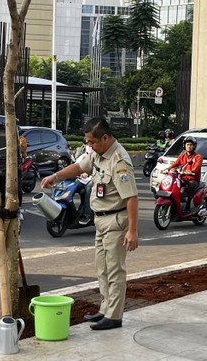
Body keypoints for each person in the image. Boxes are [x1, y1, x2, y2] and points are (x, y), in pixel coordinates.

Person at [41, 117, 138, 331]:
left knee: (115, 270)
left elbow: (131, 197)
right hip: (100, 220)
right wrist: (55, 177)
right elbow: (78, 167)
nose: (89, 146)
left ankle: (114, 316)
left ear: (105, 137)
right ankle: (105, 309)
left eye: (92, 142)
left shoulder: (119, 160)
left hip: (115, 219)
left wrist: (132, 231)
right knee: (102, 268)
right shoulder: (98, 152)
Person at [161, 136, 203, 210]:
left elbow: (197, 167)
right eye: (187, 145)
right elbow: (175, 164)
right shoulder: (182, 156)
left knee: (190, 186)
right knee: (173, 186)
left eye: (191, 145)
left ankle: (188, 205)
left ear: (194, 146)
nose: (189, 146)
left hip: (192, 179)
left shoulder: (198, 157)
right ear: (184, 146)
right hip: (182, 178)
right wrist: (167, 169)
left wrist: (191, 171)